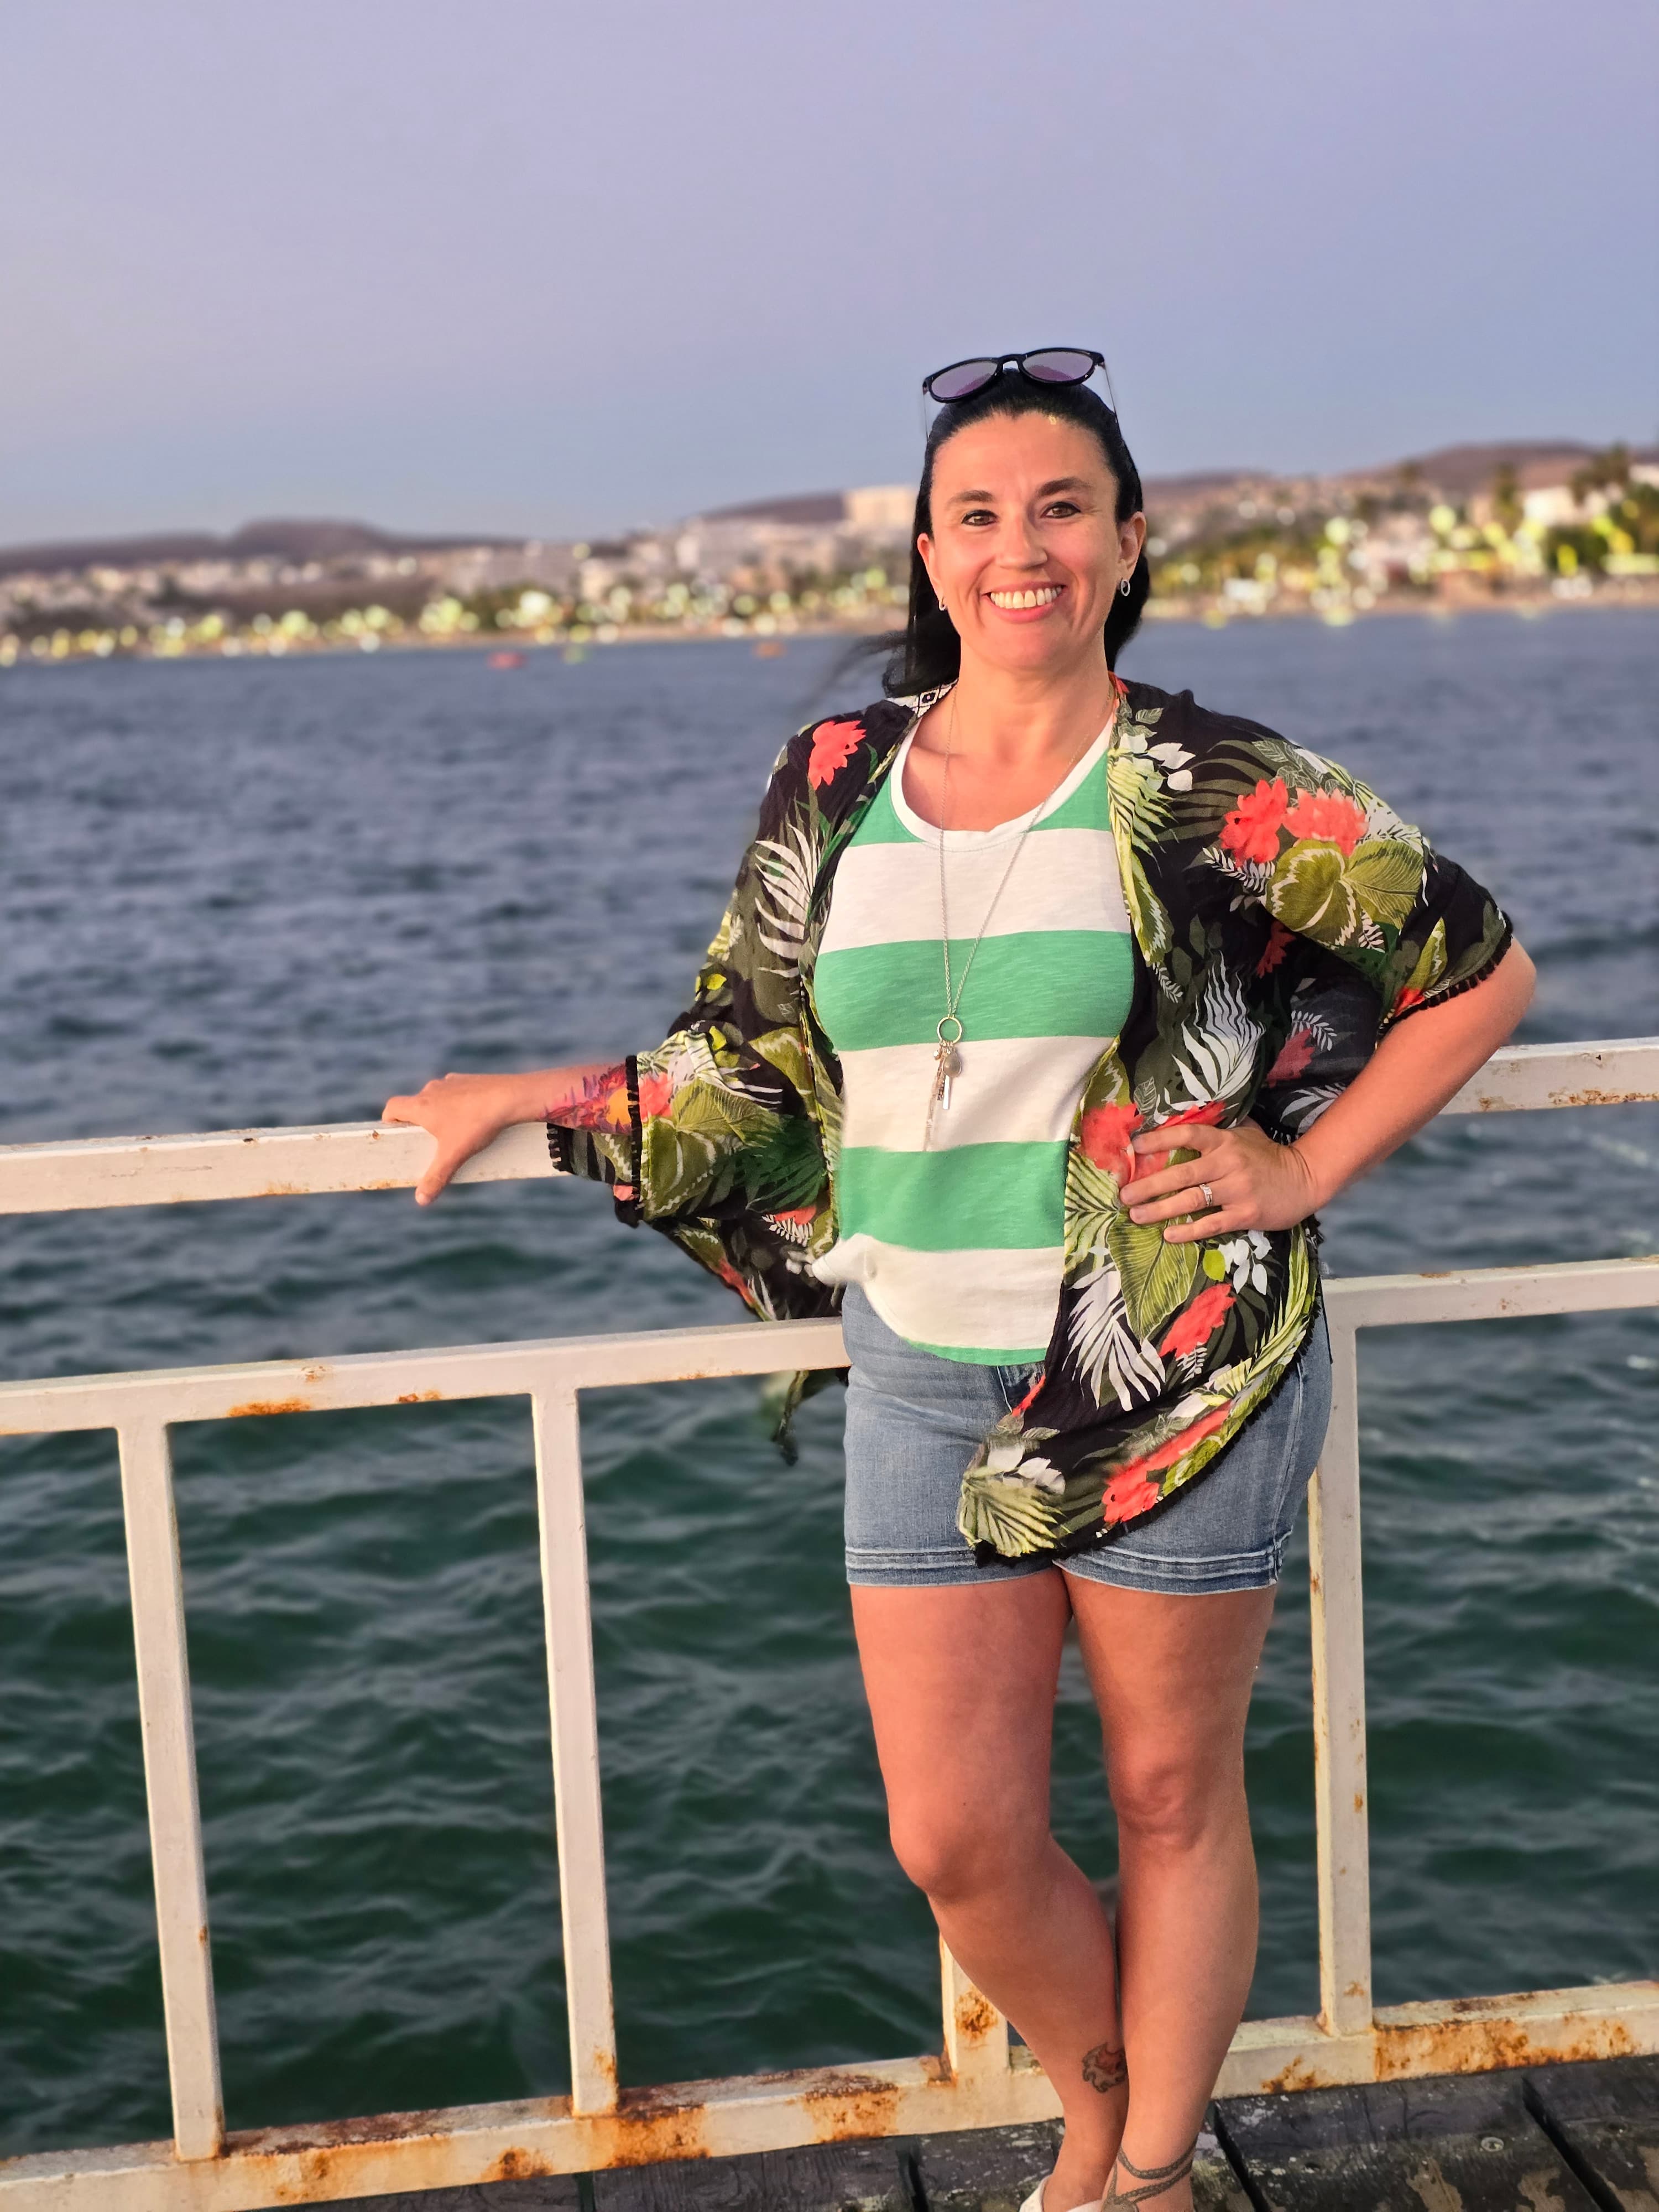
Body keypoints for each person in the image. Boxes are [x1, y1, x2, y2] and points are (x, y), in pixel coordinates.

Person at [384, 348, 1533, 2212]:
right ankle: (1105, 2112)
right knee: (958, 1836)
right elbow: (746, 1052)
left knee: (1170, 1801)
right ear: (930, 557)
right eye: (981, 516)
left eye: (1064, 508)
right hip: (919, 1353)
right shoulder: (838, 775)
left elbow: (1481, 972)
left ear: (1128, 541)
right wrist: (533, 1095)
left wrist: (1305, 1165)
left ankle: (1141, 2170)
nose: (1024, 548)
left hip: (1171, 1353)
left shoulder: (1206, 777)